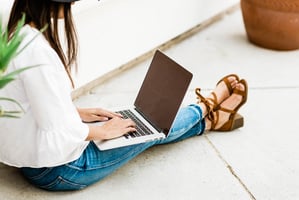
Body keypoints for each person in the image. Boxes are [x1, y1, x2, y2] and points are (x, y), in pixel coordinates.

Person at [0, 0, 248, 191]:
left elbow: (34, 104)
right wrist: (101, 131)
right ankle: (208, 106)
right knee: (150, 129)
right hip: (60, 170)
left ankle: (211, 122)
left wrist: (78, 113)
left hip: (35, 158)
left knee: (138, 123)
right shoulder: (37, 54)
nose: (73, 5)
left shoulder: (16, 35)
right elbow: (57, 129)